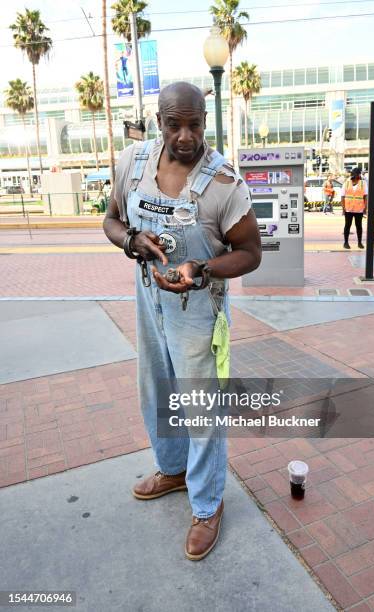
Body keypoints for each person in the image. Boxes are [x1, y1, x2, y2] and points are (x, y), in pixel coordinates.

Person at [103, 82, 261, 561]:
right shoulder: (133, 163)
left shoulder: (224, 184)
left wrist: (204, 269)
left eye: (195, 123)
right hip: (149, 304)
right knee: (156, 390)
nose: (186, 135)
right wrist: (131, 241)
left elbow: (251, 253)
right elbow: (110, 219)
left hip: (198, 312)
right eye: (176, 124)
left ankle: (208, 503)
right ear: (159, 122)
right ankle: (172, 470)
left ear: (205, 121)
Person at [341, 167, 367, 249]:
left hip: (359, 209)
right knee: (347, 225)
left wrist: (365, 208)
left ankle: (359, 242)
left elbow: (365, 196)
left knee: (359, 226)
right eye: (356, 174)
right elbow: (342, 196)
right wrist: (343, 209)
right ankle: (346, 243)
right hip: (348, 209)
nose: (357, 175)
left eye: (358, 174)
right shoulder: (347, 183)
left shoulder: (363, 183)